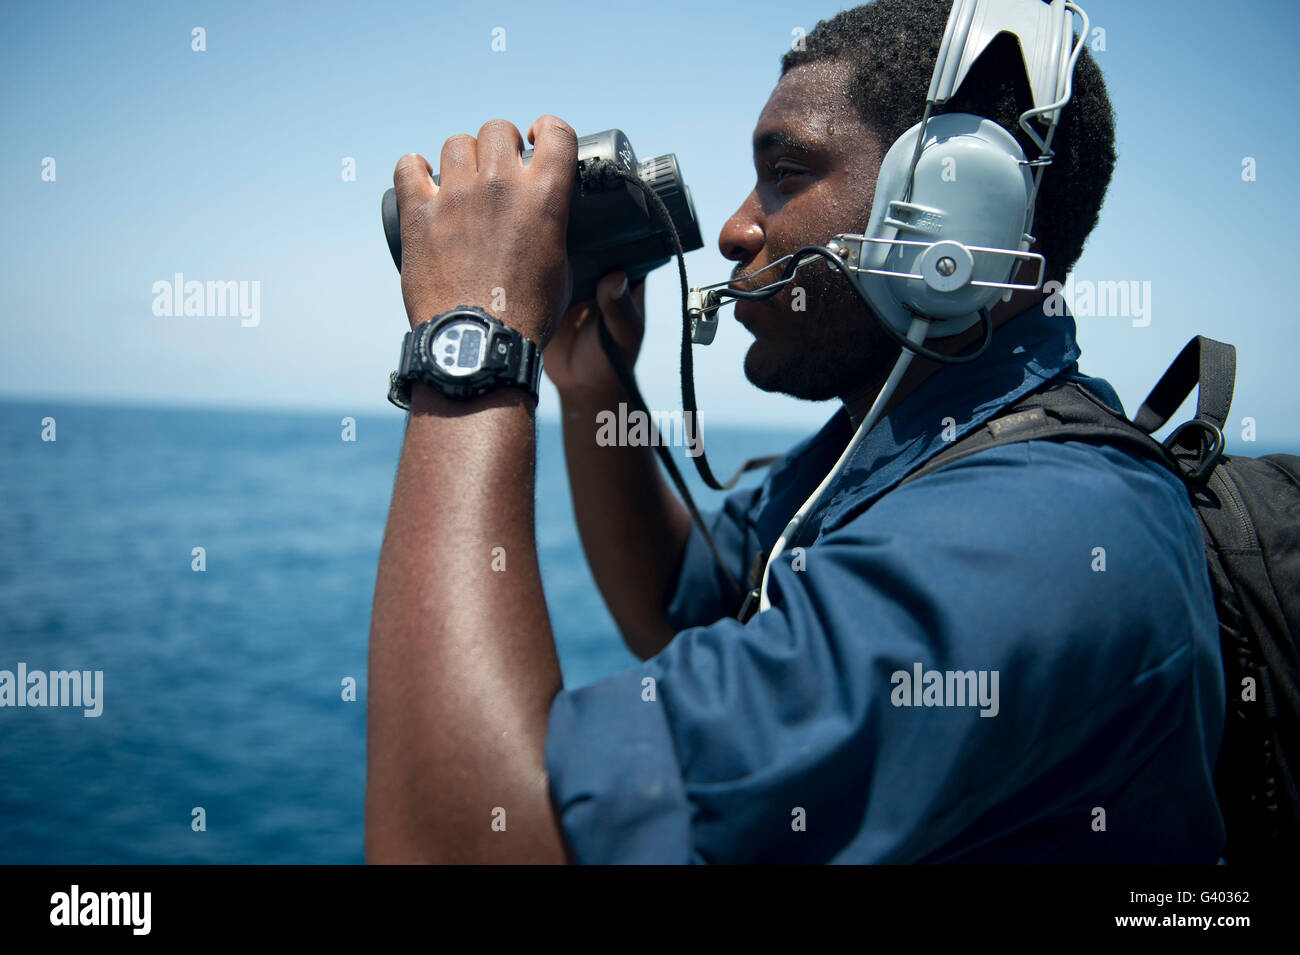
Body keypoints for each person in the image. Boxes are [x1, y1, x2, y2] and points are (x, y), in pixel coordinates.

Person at [365, 0, 1225, 863]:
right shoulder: (899, 443)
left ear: (956, 217)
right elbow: (678, 600)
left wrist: (470, 334)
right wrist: (590, 383)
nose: (738, 229)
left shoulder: (1035, 540)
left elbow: (459, 846)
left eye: (786, 172)